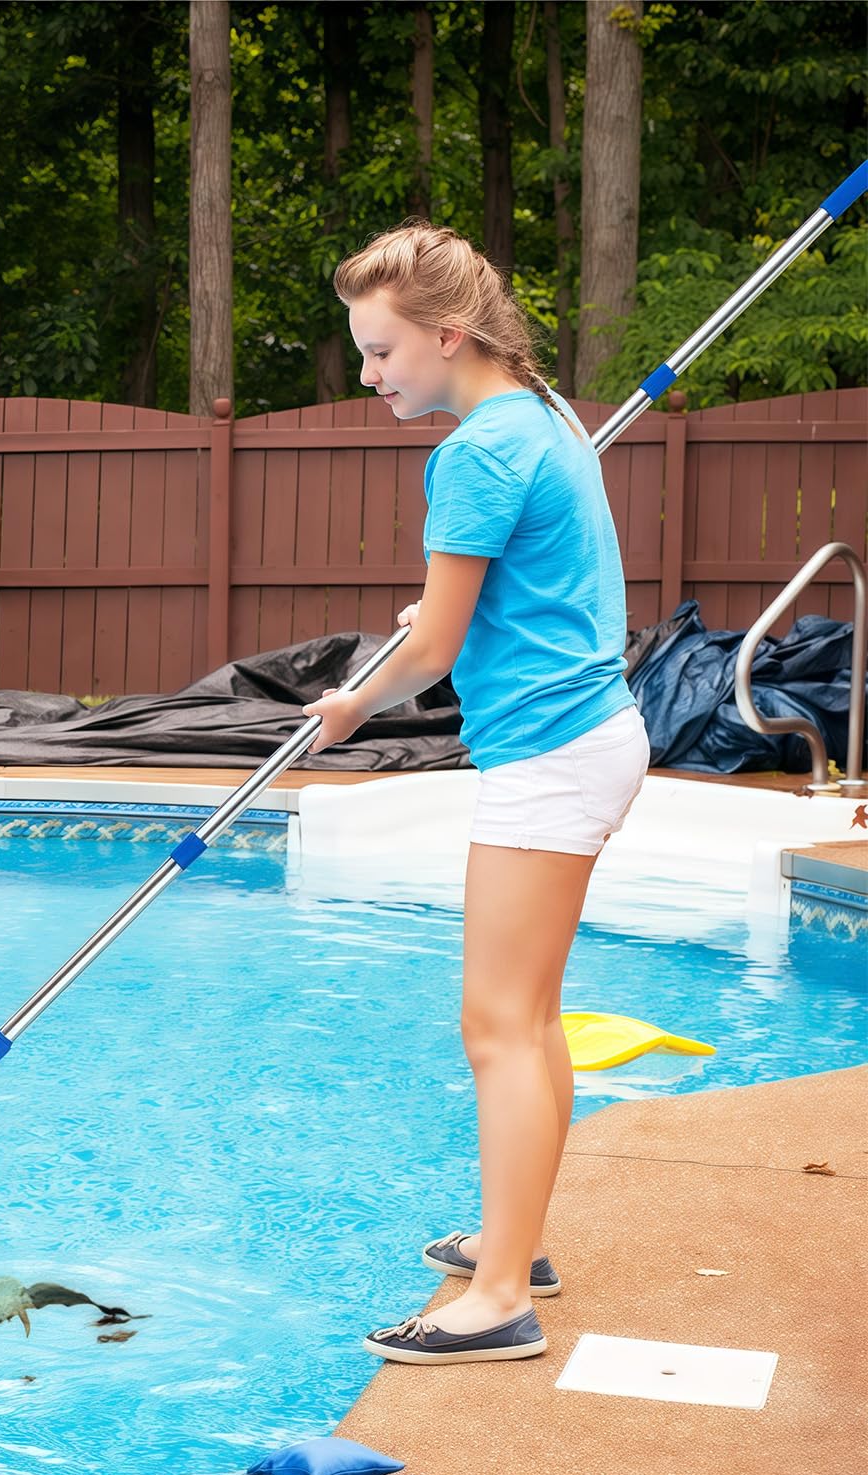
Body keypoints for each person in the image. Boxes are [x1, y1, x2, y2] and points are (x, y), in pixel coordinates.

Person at [302, 223, 650, 1365]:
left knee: (495, 1025)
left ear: (446, 336)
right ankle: (516, 1240)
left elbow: (436, 648)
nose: (368, 375)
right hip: (589, 734)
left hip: (549, 754)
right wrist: (443, 614)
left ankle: (498, 1297)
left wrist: (351, 704)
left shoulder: (476, 453)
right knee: (531, 1018)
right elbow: (528, 584)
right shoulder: (539, 416)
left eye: (381, 351)